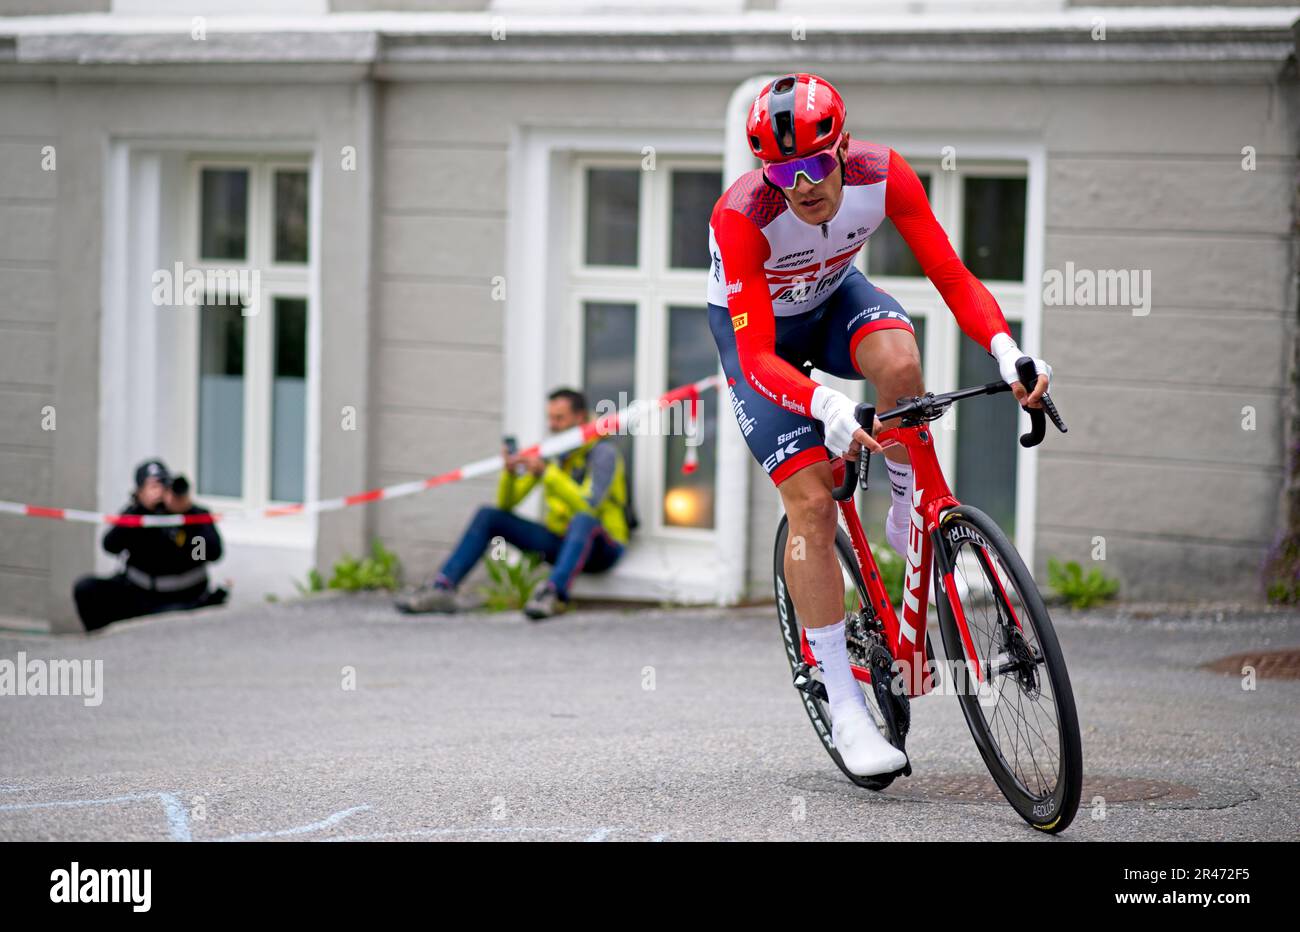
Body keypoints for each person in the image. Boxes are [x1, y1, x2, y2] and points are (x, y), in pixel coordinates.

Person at [709, 73, 1052, 776]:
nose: (802, 185)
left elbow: (952, 277)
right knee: (809, 503)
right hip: (763, 342)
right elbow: (755, 355)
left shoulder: (882, 173)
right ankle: (843, 703)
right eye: (782, 171)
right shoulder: (742, 216)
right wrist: (825, 402)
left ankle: (907, 509)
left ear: (842, 148)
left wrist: (1009, 351)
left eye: (814, 164)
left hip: (835, 301)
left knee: (900, 363)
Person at [396, 388, 628, 620]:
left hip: (602, 547)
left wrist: (548, 473)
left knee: (583, 521)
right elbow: (506, 504)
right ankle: (442, 587)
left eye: (560, 418)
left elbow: (588, 507)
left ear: (579, 418)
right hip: (561, 542)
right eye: (550, 418)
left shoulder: (602, 453)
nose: (553, 425)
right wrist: (510, 473)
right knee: (489, 516)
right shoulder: (553, 454)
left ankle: (554, 594)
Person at [72, 459, 227, 632]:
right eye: (153, 487)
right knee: (86, 588)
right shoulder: (135, 515)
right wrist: (141, 510)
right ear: (139, 492)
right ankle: (98, 642)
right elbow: (110, 546)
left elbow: (212, 553)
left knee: (169, 618)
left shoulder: (192, 515)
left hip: (184, 598)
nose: (160, 492)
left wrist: (187, 514)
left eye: (163, 485)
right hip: (140, 594)